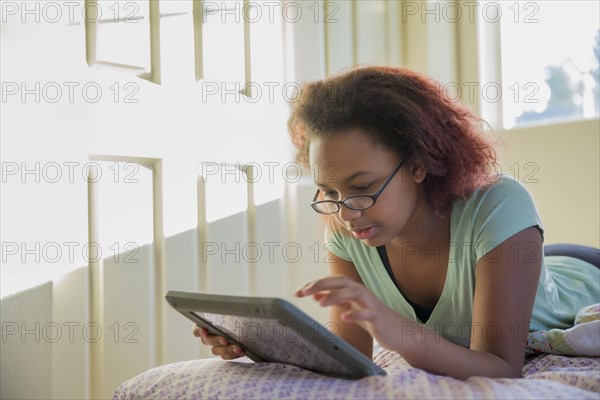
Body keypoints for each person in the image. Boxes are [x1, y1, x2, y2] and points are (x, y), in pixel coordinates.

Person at [193, 66, 600, 379]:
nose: (346, 212)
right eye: (329, 192)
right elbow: (349, 353)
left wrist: (396, 331)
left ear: (419, 165)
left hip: (582, 275)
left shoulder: (498, 203)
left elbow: (501, 369)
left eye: (363, 186)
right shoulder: (347, 227)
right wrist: (259, 345)